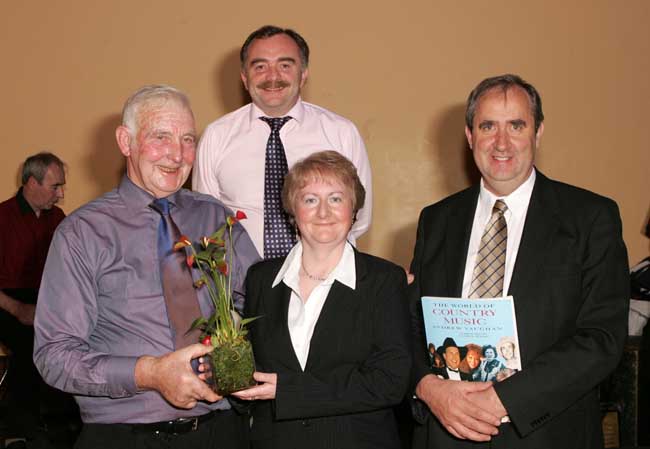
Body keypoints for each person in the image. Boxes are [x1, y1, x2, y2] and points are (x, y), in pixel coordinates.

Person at [33, 85, 259, 449]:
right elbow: (54, 355)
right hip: (125, 436)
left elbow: (261, 307)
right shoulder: (82, 233)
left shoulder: (215, 217)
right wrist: (149, 373)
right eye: (160, 137)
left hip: (222, 430)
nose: (177, 154)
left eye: (188, 139)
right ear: (126, 141)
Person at [409, 74, 629, 448]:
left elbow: (601, 338)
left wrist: (505, 399)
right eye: (488, 126)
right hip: (446, 431)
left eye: (516, 125)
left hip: (547, 432)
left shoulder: (591, 218)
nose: (501, 142)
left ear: (538, 132)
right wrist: (428, 388)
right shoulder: (437, 220)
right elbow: (411, 324)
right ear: (469, 135)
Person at [231, 151, 410, 448]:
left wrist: (290, 392)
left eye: (336, 199)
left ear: (354, 210)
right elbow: (254, 371)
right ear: (293, 210)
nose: (323, 213)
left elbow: (390, 382)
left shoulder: (385, 280)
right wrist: (227, 381)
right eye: (310, 199)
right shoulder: (261, 279)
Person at [193, 25, 372, 259]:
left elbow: (360, 218)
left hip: (328, 280)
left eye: (285, 65)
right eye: (260, 66)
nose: (273, 77)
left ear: (304, 74)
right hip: (243, 288)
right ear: (244, 78)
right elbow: (205, 223)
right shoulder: (216, 136)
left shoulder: (341, 132)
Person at [0, 152, 66, 446]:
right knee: (32, 345)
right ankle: (21, 428)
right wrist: (18, 309)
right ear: (30, 183)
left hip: (46, 300)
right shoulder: (2, 218)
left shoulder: (59, 219)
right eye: (55, 187)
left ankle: (62, 423)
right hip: (6, 302)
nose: (62, 194)